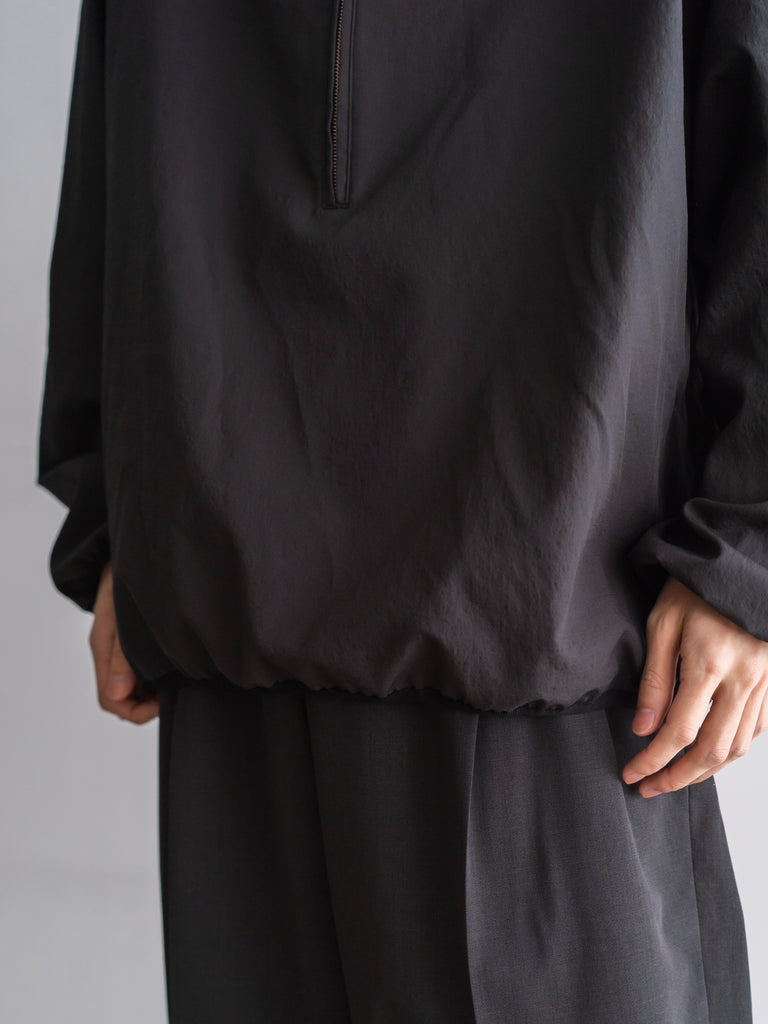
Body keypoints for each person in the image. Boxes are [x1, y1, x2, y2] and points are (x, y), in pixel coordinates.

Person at [37, 0, 767, 1020]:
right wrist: (118, 504)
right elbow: (118, 87)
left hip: (554, 639)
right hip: (229, 616)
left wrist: (747, 536)